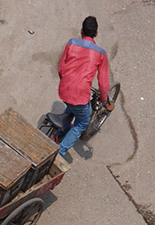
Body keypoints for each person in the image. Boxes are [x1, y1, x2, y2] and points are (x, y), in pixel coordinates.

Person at [55, 16, 114, 156]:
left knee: (71, 107)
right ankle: (60, 152)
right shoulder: (101, 53)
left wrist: (67, 82)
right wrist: (105, 101)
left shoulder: (71, 43)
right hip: (80, 95)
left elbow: (61, 69)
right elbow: (103, 82)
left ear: (81, 31)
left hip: (63, 90)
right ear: (96, 33)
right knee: (82, 122)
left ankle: (60, 132)